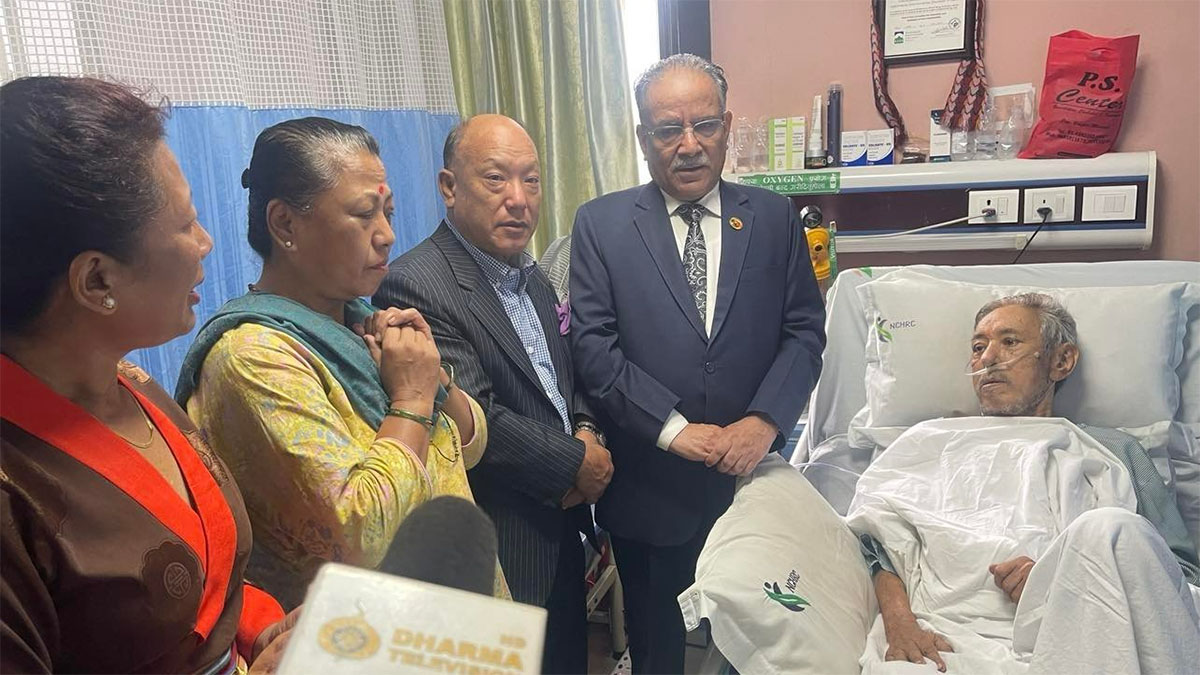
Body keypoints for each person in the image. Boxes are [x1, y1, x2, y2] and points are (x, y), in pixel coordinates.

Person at [0, 76, 292, 674]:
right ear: (97, 280)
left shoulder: (132, 384)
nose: (205, 243)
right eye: (185, 225)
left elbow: (206, 586)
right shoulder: (15, 489)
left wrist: (263, 631)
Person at [175, 117, 504, 610]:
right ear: (285, 224)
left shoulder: (360, 322)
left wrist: (429, 374)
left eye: (388, 213)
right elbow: (361, 533)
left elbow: (471, 444)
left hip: (451, 618)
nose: (387, 235)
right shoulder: (254, 358)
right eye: (364, 214)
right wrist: (412, 399)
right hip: (369, 631)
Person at [569, 54, 827, 673]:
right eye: (668, 129)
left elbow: (803, 333)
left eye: (705, 125)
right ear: (643, 138)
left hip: (750, 485)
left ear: (727, 126)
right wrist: (673, 430)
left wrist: (764, 421)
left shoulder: (773, 219)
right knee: (659, 652)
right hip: (650, 488)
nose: (689, 145)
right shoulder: (601, 225)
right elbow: (594, 348)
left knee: (754, 646)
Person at [850, 293, 1200, 674]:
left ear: (1061, 361)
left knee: (1111, 528)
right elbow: (874, 541)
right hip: (946, 640)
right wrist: (900, 624)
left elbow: (1173, 577)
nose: (987, 358)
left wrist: (1060, 578)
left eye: (1010, 342)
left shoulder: (1112, 450)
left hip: (1086, 632)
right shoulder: (928, 443)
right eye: (978, 347)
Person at [373, 114, 610, 674]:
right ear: (449, 187)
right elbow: (477, 420)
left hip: (560, 529)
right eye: (496, 179)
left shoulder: (531, 274)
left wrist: (585, 429)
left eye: (531, 180)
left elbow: (566, 374)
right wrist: (578, 463)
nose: (519, 200)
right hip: (501, 540)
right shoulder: (415, 283)